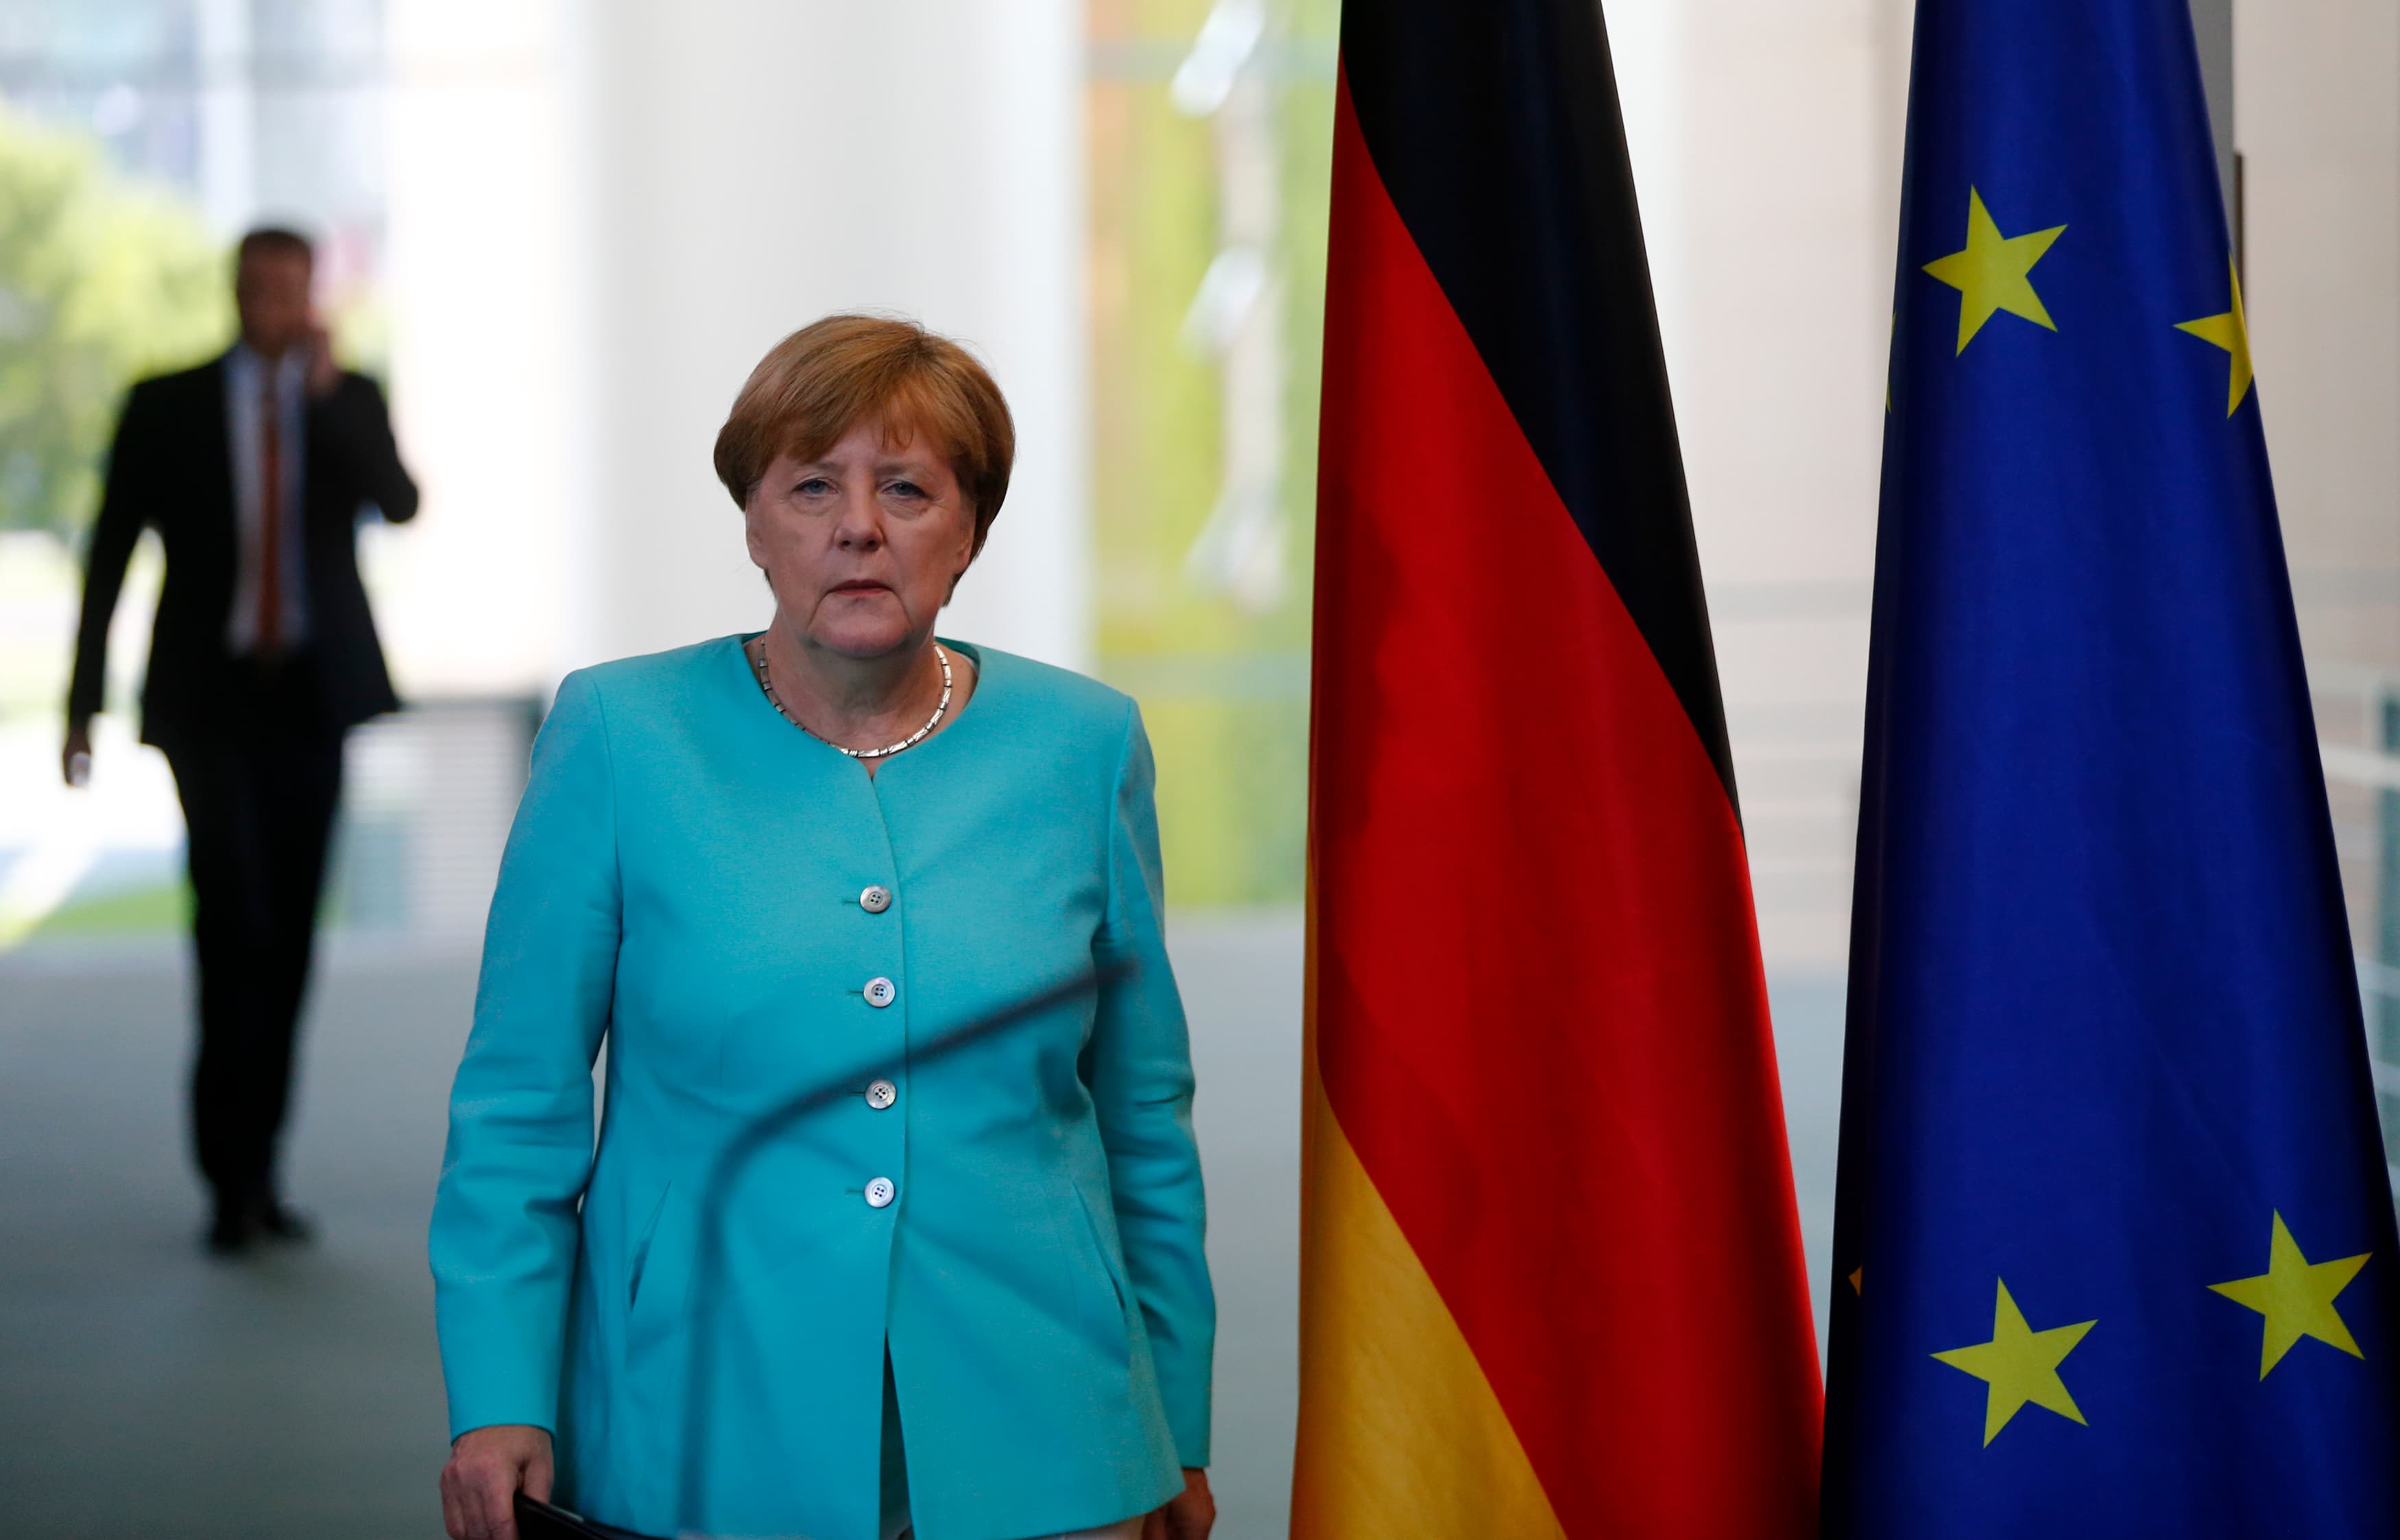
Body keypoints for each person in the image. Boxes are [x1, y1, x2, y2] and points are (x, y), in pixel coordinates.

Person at [429, 315, 1216, 1540]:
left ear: (970, 529)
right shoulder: (620, 737)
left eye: (907, 487)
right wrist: (498, 1393)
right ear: (753, 521)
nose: (859, 525)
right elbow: (516, 1103)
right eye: (812, 485)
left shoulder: (1085, 744)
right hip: (699, 1404)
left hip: (1050, 1421)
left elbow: (1142, 1116)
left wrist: (1177, 1419)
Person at [63, 225, 419, 1255]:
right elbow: (108, 555)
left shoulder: (345, 396)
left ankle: (264, 1167)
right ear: (235, 291)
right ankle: (226, 1178)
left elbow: (398, 503)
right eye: (258, 285)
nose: (273, 301)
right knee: (235, 922)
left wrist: (325, 396)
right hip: (208, 705)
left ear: (311, 296)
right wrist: (82, 703)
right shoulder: (164, 401)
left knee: (293, 936)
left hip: (312, 699)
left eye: (291, 287)